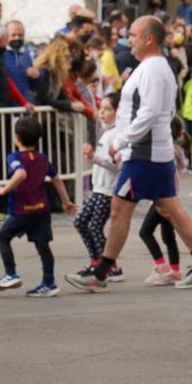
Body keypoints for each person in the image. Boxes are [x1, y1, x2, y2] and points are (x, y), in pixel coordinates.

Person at [64, 16, 192, 292]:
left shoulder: (153, 69)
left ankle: (101, 272)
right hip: (150, 150)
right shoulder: (152, 67)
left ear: (149, 38)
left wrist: (120, 141)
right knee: (168, 207)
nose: (129, 38)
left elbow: (149, 112)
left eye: (134, 34)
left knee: (120, 207)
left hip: (144, 152)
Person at [0, 117, 77, 296]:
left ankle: (10, 273)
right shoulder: (42, 158)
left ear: (16, 138)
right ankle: (49, 282)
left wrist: (4, 189)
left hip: (21, 211)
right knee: (43, 246)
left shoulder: (14, 157)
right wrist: (66, 202)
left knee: (2, 238)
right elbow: (57, 180)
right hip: (41, 210)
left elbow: (20, 174)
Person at [72, 93, 121, 277]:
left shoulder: (117, 135)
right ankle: (96, 261)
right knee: (80, 221)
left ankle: (110, 265)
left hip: (108, 190)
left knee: (94, 226)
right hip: (99, 188)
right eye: (101, 109)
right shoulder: (105, 132)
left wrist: (96, 158)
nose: (102, 113)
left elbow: (116, 163)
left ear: (117, 112)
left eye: (107, 109)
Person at [140, 116, 189, 286]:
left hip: (164, 197)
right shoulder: (176, 149)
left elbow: (165, 177)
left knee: (145, 232)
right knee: (168, 237)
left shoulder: (166, 152)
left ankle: (162, 267)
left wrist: (154, 199)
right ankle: (174, 271)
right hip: (172, 196)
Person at [4, 21, 41, 102]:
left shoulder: (26, 55)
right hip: (6, 106)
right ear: (6, 36)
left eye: (20, 35)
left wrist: (37, 76)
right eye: (13, 35)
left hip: (25, 105)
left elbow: (32, 86)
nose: (17, 38)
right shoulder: (1, 54)